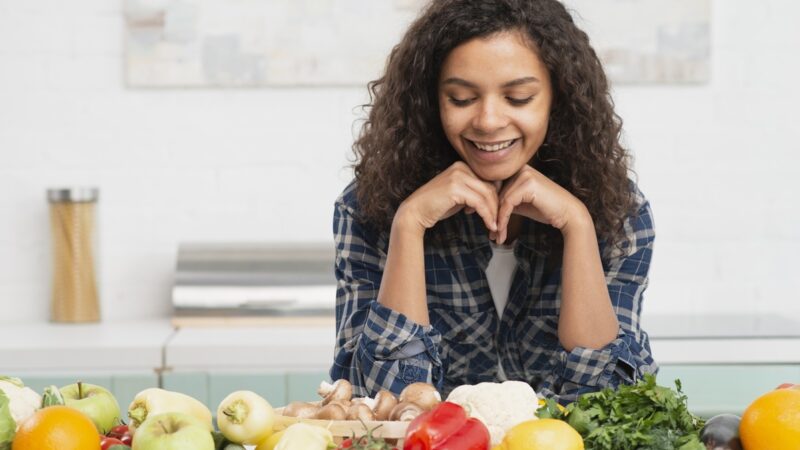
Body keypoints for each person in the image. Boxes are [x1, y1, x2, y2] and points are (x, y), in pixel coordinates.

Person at [330, 0, 657, 404]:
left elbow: (614, 407)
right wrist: (409, 224)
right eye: (462, 99)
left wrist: (577, 225)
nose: (487, 121)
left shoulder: (620, 213)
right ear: (432, 102)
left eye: (518, 98)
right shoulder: (366, 209)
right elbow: (372, 405)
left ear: (559, 97)